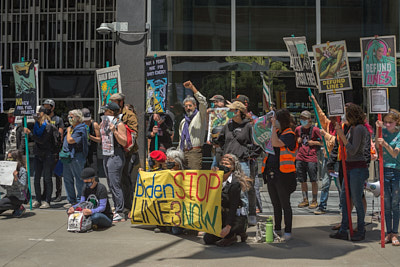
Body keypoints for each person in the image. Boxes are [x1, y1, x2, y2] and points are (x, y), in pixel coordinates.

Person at [330, 103, 370, 241]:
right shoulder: (352, 128)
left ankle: (360, 229)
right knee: (345, 199)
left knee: (356, 199)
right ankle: (344, 228)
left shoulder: (359, 129)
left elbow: (353, 150)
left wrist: (342, 136)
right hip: (350, 166)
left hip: (357, 168)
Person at [262, 109, 297, 241]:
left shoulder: (289, 134)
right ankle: (277, 228)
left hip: (284, 174)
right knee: (275, 204)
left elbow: (276, 143)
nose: (273, 121)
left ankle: (288, 230)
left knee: (284, 204)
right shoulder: (276, 132)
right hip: (271, 172)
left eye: (275, 119)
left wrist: (272, 129)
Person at [204, 154, 252, 246]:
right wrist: (212, 175)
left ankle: (237, 232)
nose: (224, 165)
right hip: (220, 214)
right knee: (208, 239)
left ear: (233, 168)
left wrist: (228, 226)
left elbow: (233, 206)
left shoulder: (235, 183)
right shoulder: (215, 179)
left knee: (225, 239)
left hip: (233, 215)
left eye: (227, 164)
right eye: (222, 163)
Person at [109, 93, 139, 218]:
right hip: (115, 151)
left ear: (121, 102)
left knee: (126, 178)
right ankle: (119, 204)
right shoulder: (112, 116)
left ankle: (129, 206)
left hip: (128, 152)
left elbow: (133, 133)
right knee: (117, 179)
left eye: (114, 102)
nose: (111, 104)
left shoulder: (129, 115)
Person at [309, 94, 339, 215]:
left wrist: (325, 135)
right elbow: (320, 114)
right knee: (325, 183)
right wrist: (314, 101)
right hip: (328, 158)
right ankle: (322, 206)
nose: (331, 117)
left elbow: (336, 140)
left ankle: (343, 206)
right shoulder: (327, 123)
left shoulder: (341, 126)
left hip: (337, 158)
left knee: (339, 184)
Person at [375, 109, 400, 246]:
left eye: (390, 122)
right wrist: (378, 129)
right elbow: (375, 144)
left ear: (396, 122)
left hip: (396, 171)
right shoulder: (382, 132)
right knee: (386, 204)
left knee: (395, 204)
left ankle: (394, 232)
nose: (388, 124)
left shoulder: (399, 134)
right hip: (384, 169)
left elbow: (395, 153)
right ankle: (387, 232)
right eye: (386, 122)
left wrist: (384, 144)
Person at [24, 106, 56, 209]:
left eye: (37, 113)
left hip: (47, 154)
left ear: (42, 113)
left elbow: (42, 140)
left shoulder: (48, 126)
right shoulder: (35, 125)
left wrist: (30, 134)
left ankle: (47, 200)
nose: (35, 115)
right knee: (36, 178)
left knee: (47, 178)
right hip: (38, 154)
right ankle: (38, 199)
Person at [100, 101, 127, 222]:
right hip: (107, 153)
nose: (104, 112)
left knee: (115, 184)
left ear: (111, 112)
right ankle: (116, 207)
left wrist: (114, 131)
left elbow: (124, 142)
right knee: (110, 183)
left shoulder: (119, 124)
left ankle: (120, 211)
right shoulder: (104, 122)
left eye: (106, 110)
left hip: (115, 155)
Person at [295, 110, 323, 209]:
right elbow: (294, 141)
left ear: (309, 119)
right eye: (301, 119)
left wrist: (314, 143)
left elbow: (324, 142)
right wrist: (297, 140)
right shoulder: (298, 129)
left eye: (305, 119)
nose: (303, 121)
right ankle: (305, 199)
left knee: (313, 180)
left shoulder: (315, 130)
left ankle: (314, 200)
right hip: (300, 156)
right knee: (302, 180)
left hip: (311, 157)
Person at [62, 109, 88, 209]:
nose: (69, 118)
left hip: (77, 156)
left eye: (71, 116)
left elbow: (71, 140)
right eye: (69, 116)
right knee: (67, 178)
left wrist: (68, 132)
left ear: (78, 118)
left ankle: (80, 200)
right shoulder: (71, 128)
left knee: (79, 179)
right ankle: (71, 200)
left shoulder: (81, 128)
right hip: (67, 156)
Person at [179, 80, 208, 170]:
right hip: (183, 153)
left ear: (195, 105)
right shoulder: (183, 121)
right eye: (186, 106)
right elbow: (181, 139)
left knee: (193, 178)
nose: (188, 108)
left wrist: (192, 88)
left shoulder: (200, 116)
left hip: (194, 152)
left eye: (190, 105)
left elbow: (203, 102)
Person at [43, 99, 64, 202]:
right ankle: (45, 193)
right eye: (45, 106)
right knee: (46, 173)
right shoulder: (43, 119)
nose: (46, 108)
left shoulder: (58, 119)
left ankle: (58, 194)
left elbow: (60, 135)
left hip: (55, 150)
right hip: (45, 150)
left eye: (48, 106)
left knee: (57, 173)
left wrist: (58, 148)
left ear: (53, 107)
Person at [0, 150, 27, 217]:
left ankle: (19, 207)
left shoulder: (22, 170)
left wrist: (16, 179)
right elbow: (5, 187)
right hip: (10, 195)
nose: (8, 160)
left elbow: (23, 187)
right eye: (7, 158)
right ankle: (16, 207)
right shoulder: (7, 169)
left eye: (10, 158)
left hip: (18, 197)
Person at [165, 147, 185, 235]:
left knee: (176, 231)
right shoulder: (163, 173)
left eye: (170, 160)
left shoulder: (187, 175)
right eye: (167, 160)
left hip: (180, 209)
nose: (167, 162)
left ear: (177, 162)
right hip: (167, 207)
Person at [82, 108, 101, 172]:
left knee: (94, 170)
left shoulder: (94, 124)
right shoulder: (80, 125)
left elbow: (99, 139)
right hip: (82, 151)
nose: (86, 122)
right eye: (84, 121)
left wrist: (90, 137)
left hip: (92, 151)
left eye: (87, 120)